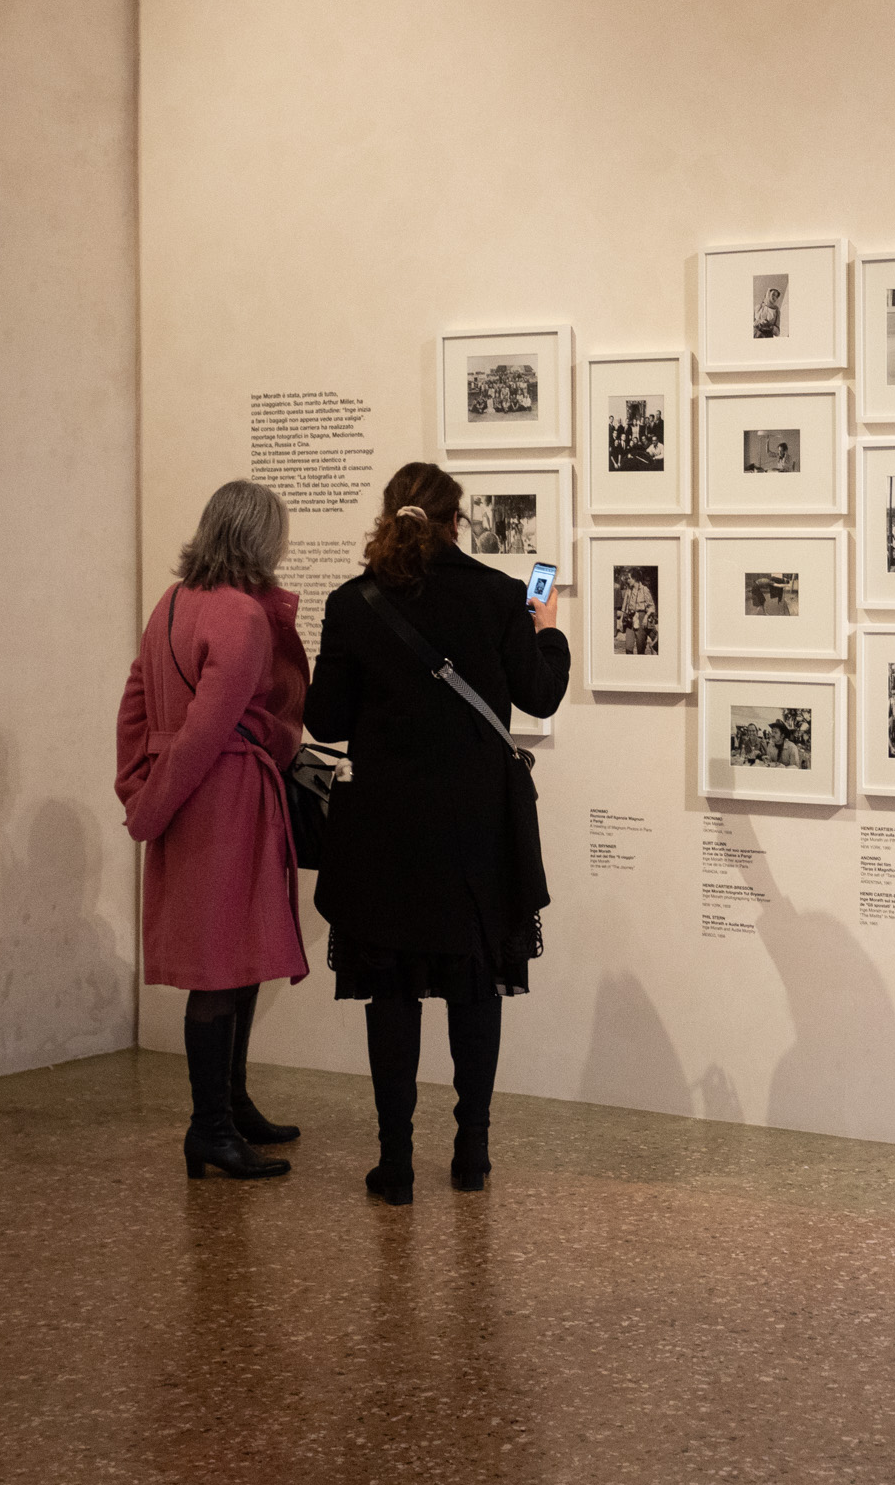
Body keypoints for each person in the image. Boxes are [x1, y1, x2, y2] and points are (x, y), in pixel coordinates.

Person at [306, 463, 569, 1205]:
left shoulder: (351, 603)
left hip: (385, 830)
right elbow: (541, 691)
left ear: (391, 518)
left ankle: (395, 1165)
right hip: (475, 830)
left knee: (391, 993)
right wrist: (547, 630)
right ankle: (473, 1152)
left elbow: (325, 720)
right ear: (458, 522)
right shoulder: (497, 594)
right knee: (474, 987)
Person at [114, 480, 311, 1182]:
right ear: (261, 540)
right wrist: (152, 803)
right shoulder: (240, 616)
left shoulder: (172, 602)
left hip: (191, 795)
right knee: (220, 968)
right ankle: (210, 1127)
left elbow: (136, 701)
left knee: (238, 955)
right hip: (221, 799)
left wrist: (138, 784)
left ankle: (230, 1105)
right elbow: (206, 730)